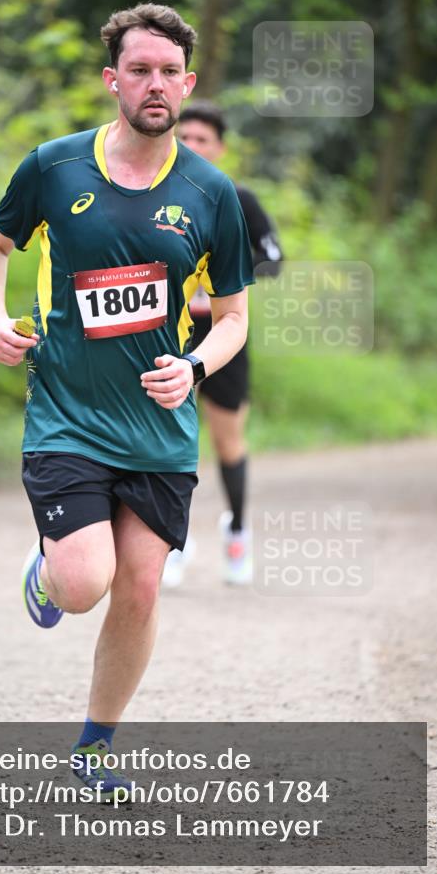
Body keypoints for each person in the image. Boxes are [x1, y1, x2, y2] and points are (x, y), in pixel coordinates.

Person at [0, 5, 254, 800]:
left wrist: (194, 366)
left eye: (169, 72)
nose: (155, 84)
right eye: (140, 70)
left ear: (187, 82)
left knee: (140, 586)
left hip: (158, 425)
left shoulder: (211, 193)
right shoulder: (55, 167)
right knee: (83, 584)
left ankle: (94, 747)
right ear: (112, 80)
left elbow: (232, 317)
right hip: (65, 412)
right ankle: (50, 569)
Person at [162, 101, 282, 588]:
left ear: (220, 148)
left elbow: (273, 259)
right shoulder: (156, 194)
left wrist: (218, 291)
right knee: (171, 438)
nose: (191, 147)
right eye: (183, 137)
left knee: (226, 439)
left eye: (201, 140)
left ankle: (236, 529)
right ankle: (172, 538)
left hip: (224, 336)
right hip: (167, 335)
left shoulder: (237, 197)